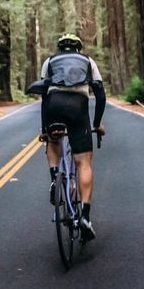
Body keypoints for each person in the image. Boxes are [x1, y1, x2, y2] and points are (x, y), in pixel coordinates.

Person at [39, 33, 106, 241]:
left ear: (60, 48)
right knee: (83, 162)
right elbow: (100, 94)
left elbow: (44, 95)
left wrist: (44, 128)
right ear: (78, 48)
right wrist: (96, 124)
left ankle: (54, 179)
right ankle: (85, 217)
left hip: (54, 105)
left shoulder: (49, 61)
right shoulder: (88, 61)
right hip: (78, 108)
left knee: (53, 140)